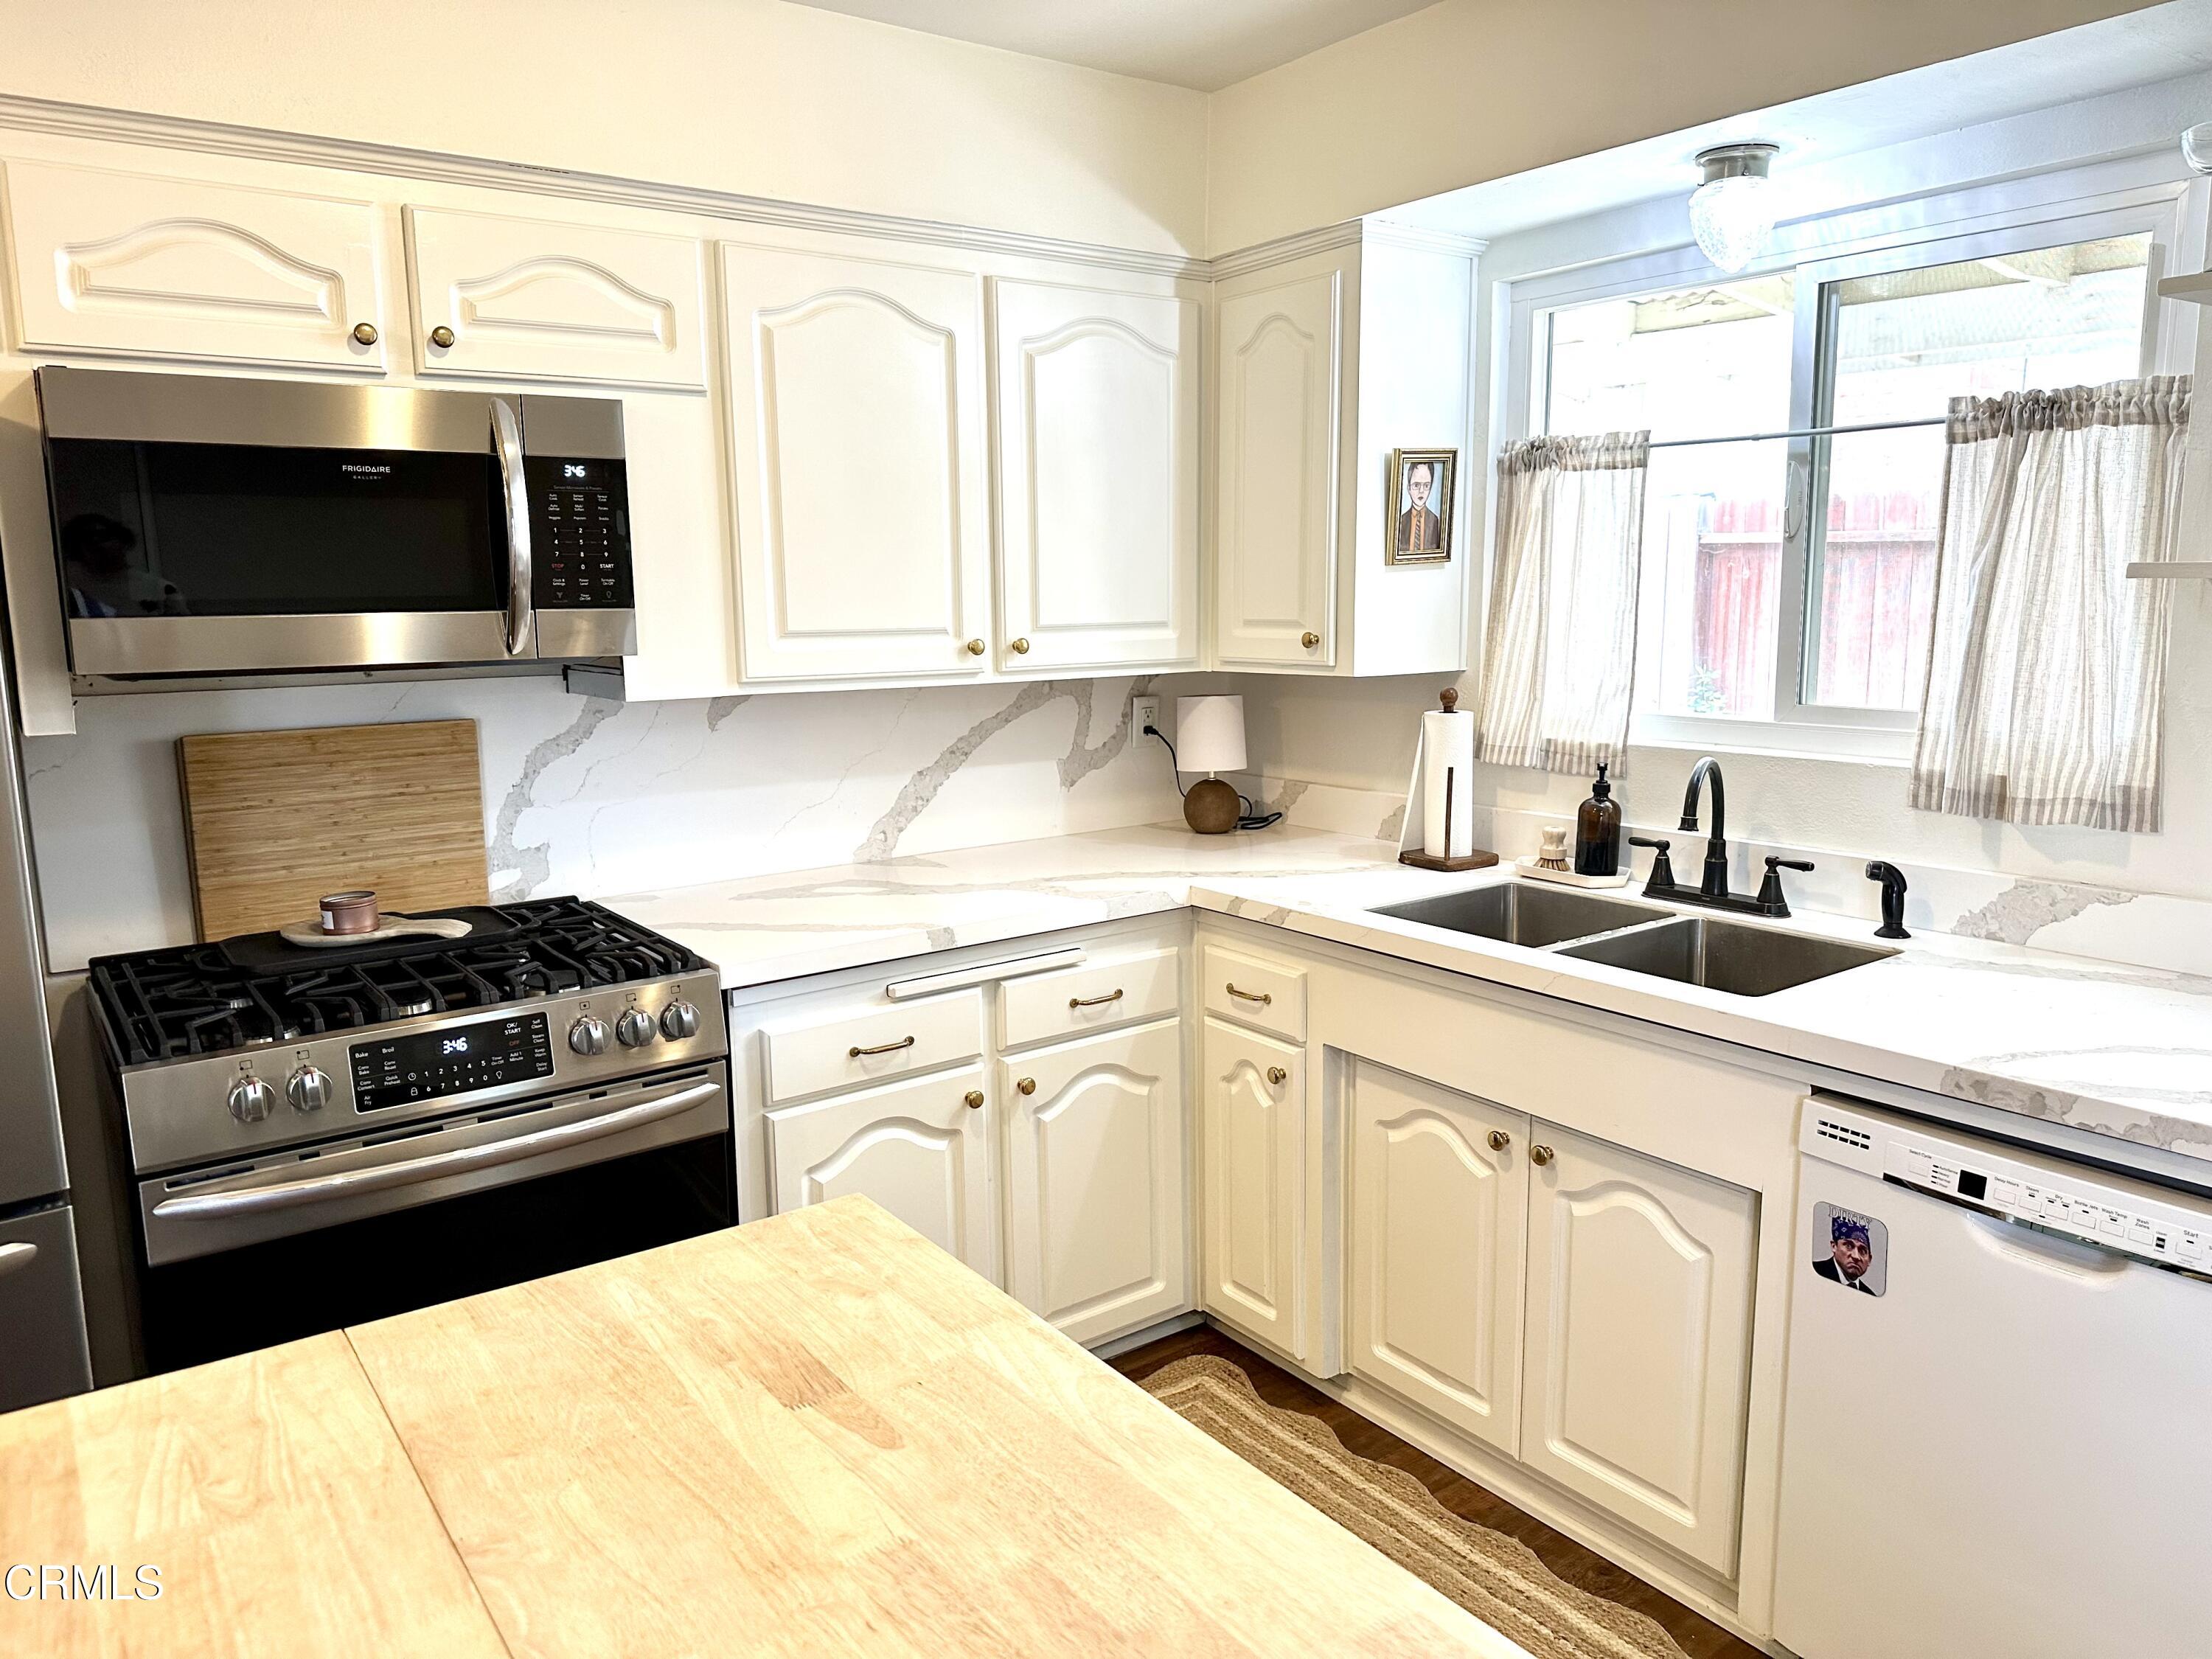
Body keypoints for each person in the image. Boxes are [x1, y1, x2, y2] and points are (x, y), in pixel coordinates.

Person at [1815, 1211, 1877, 1293]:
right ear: (1834, 1246)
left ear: (1869, 1260)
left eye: (1862, 1251)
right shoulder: (1814, 1271)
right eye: (1849, 1246)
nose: (1856, 1256)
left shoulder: (1870, 1295)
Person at [1397, 461, 1444, 553]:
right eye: (1416, 485)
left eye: (1426, 485)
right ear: (1409, 488)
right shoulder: (1401, 521)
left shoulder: (1434, 520)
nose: (1421, 491)